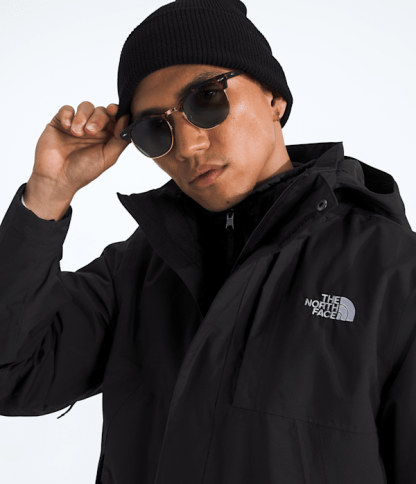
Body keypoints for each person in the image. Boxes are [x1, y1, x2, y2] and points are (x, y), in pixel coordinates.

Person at [0, 0, 415, 482]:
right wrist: (49, 192)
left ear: (274, 99)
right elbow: (13, 373)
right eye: (155, 130)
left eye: (207, 100)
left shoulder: (392, 272)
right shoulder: (136, 270)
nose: (188, 146)